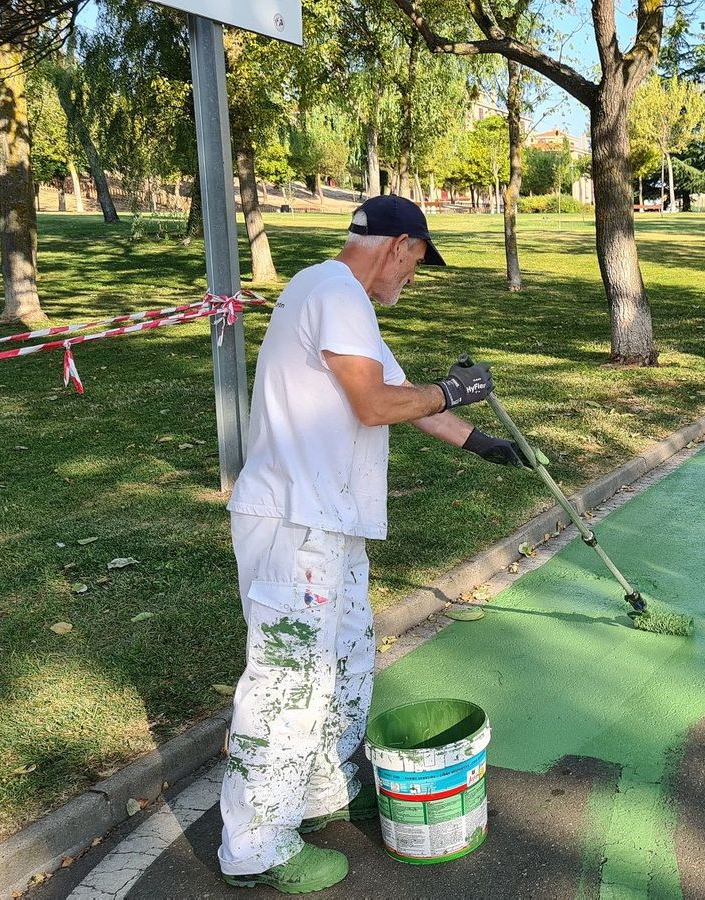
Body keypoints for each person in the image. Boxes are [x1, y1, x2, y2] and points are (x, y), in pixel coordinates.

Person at [217, 195, 525, 894]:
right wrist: (454, 391)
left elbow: (396, 392)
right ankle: (256, 847)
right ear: (401, 246)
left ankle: (322, 793)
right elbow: (376, 406)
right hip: (297, 523)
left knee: (346, 660)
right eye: (417, 264)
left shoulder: (330, 294)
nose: (411, 280)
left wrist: (481, 441)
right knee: (289, 682)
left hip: (330, 524)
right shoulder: (338, 293)